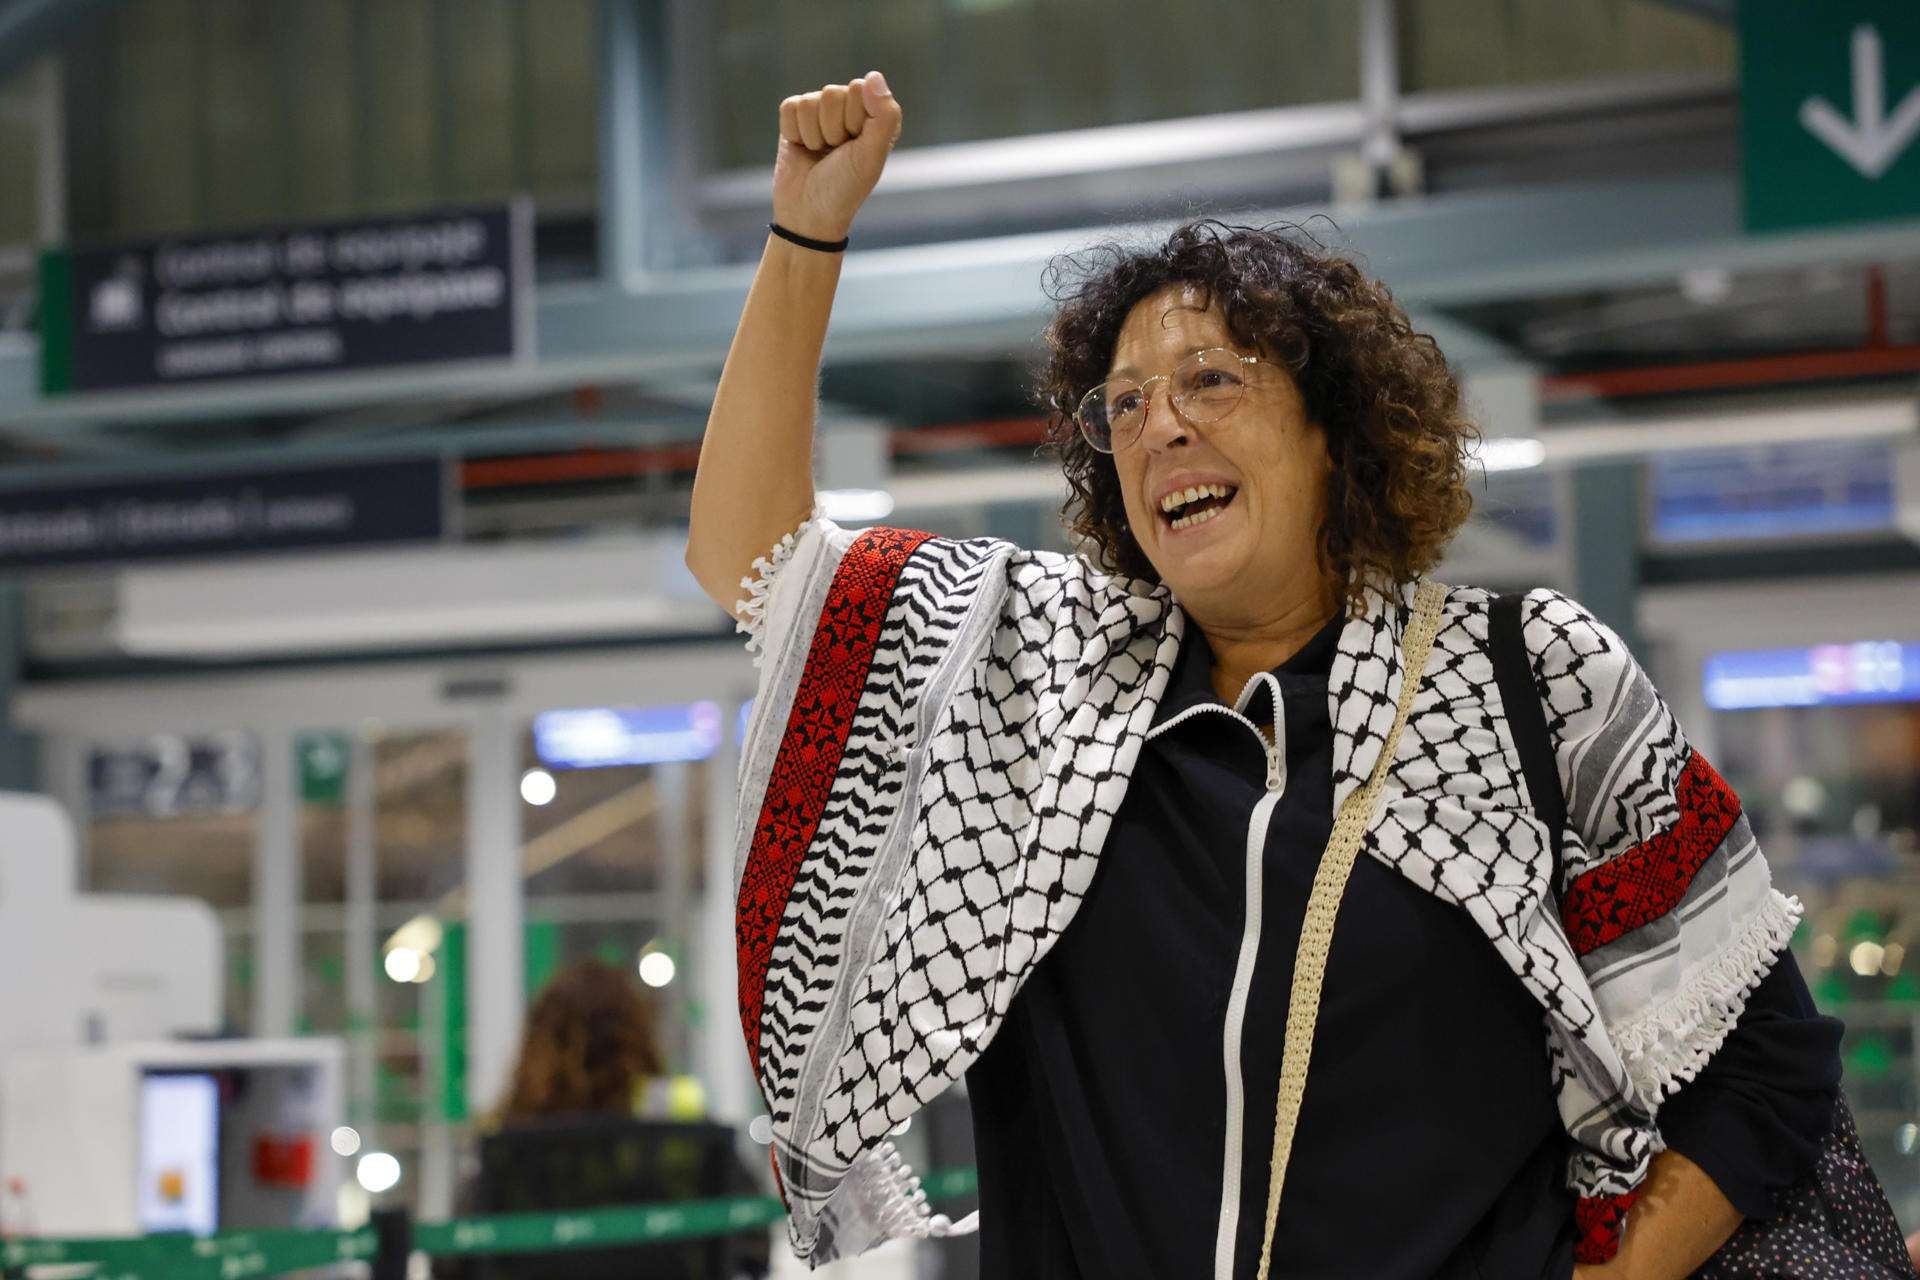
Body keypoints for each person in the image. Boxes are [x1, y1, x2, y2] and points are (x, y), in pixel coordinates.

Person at [685, 71, 1853, 1278]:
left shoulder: (1530, 682)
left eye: (1211, 380)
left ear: (1333, 428)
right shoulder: (1030, 679)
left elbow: (1763, 1070)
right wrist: (804, 231)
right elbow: (751, 560)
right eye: (1123, 403)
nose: (1158, 426)